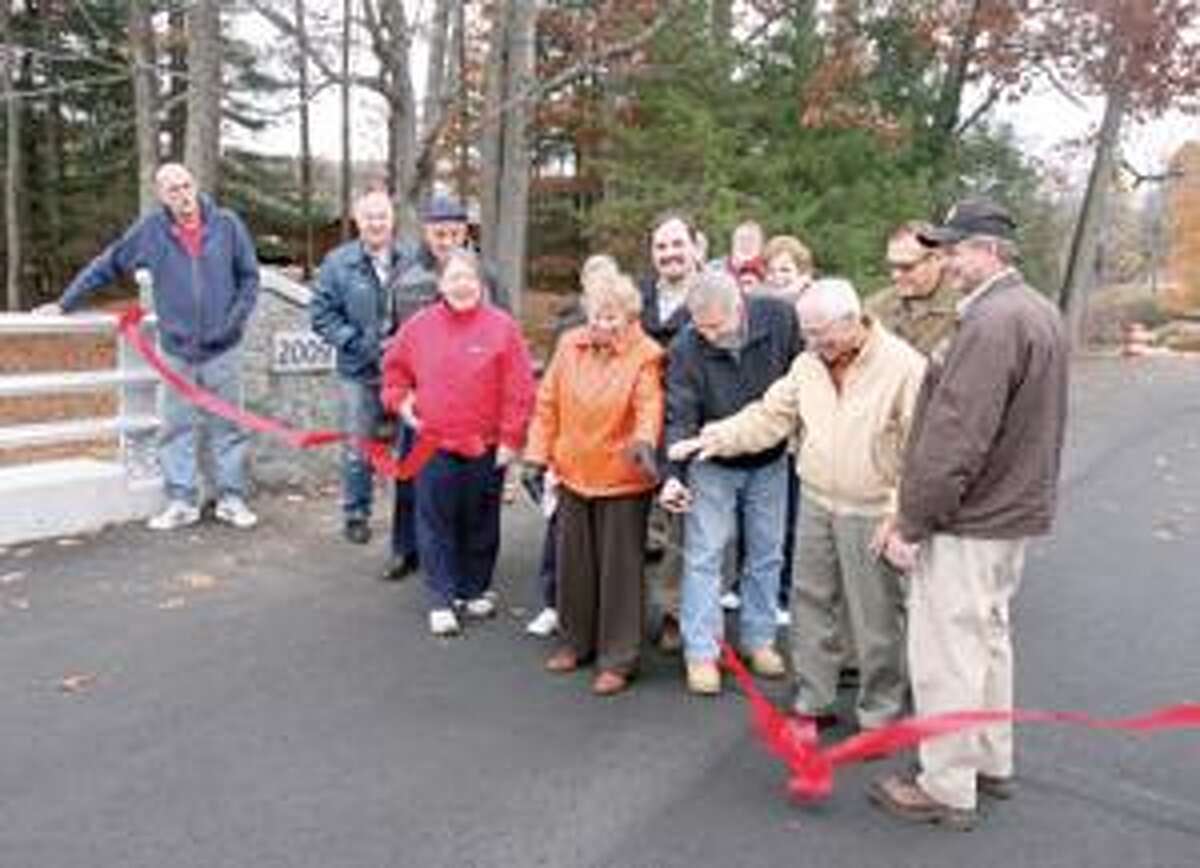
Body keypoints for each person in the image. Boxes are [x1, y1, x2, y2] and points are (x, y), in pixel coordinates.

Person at [869, 199, 1069, 830]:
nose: (947, 261)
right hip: (1012, 513)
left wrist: (911, 522)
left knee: (947, 653)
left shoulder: (989, 322)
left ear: (988, 251)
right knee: (988, 638)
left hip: (971, 518)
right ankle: (989, 759)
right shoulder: (1039, 312)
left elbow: (955, 440)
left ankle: (947, 786)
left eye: (954, 250)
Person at [670, 278, 925, 726]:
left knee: (876, 613)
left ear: (852, 321)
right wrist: (714, 438)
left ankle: (879, 709)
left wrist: (902, 514)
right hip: (817, 499)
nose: (808, 343)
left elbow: (921, 448)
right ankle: (814, 696)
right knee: (811, 603)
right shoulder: (809, 364)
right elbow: (771, 415)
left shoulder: (904, 367)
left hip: (873, 508)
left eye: (818, 333)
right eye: (806, 334)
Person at [34, 163, 260, 531]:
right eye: (173, 190)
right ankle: (182, 500)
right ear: (161, 196)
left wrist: (232, 322)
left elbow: (249, 279)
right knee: (176, 426)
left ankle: (231, 499)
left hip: (224, 348)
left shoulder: (228, 225)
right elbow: (106, 265)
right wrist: (64, 303)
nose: (183, 196)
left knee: (228, 425)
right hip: (177, 350)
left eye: (186, 186)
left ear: (196, 185)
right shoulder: (151, 232)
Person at [523, 267, 665, 695]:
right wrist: (535, 455)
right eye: (597, 315)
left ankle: (618, 658)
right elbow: (547, 403)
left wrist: (644, 440)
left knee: (619, 572)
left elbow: (649, 404)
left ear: (629, 316)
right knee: (574, 565)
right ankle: (575, 641)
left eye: (612, 316)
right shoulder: (569, 345)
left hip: (621, 476)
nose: (603, 324)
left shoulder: (646, 353)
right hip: (572, 472)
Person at [381, 249, 535, 637]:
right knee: (435, 521)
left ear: (480, 283)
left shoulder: (503, 328)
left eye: (468, 277)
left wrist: (511, 439)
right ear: (441, 284)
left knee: (481, 518)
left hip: (485, 445)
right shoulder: (418, 327)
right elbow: (394, 374)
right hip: (433, 443)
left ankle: (474, 586)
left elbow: (520, 389)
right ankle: (442, 597)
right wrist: (402, 403)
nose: (461, 285)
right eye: (454, 278)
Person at [659, 270, 800, 695]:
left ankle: (759, 639)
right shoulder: (687, 346)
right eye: (701, 327)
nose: (710, 336)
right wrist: (673, 477)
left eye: (717, 326)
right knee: (704, 556)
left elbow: (800, 379)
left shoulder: (779, 319)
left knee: (767, 552)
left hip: (769, 459)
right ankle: (701, 651)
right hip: (711, 460)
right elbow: (680, 413)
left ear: (739, 307)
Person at [310, 188, 421, 579]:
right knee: (359, 447)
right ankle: (356, 514)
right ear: (358, 220)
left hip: (408, 373)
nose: (377, 223)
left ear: (393, 219)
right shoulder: (338, 263)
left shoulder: (413, 260)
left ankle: (410, 523)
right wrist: (355, 343)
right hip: (358, 370)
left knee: (411, 448)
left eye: (383, 216)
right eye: (369, 216)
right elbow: (320, 315)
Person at [638, 212, 704, 653]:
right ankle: (630, 610)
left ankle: (676, 614)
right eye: (661, 247)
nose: (669, 254)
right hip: (642, 422)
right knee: (639, 521)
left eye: (677, 244)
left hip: (692, 422)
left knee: (684, 527)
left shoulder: (711, 297)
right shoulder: (639, 300)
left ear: (697, 247)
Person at [394, 194, 510, 313]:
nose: (448, 242)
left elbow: (503, 322)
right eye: (440, 234)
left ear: (465, 233)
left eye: (455, 234)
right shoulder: (405, 274)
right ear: (426, 234)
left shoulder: (486, 275)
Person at [869, 221, 958, 357]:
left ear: (938, 260)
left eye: (907, 267)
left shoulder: (964, 310)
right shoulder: (875, 307)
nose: (895, 276)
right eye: (891, 266)